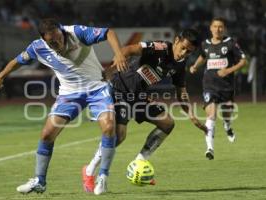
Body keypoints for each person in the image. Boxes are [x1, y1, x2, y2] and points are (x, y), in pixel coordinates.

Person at [0, 18, 127, 195]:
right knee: (47, 134)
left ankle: (102, 177)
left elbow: (109, 32)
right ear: (43, 39)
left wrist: (118, 54)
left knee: (109, 127)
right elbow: (18, 60)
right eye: (52, 42)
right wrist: (2, 74)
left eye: (59, 38)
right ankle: (39, 181)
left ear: (61, 31)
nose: (58, 43)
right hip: (69, 94)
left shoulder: (76, 32)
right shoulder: (37, 47)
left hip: (97, 88)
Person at [82, 29, 207, 192]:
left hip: (139, 97)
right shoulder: (160, 47)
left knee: (167, 123)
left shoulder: (180, 65)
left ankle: (139, 162)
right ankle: (90, 170)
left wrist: (191, 115)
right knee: (119, 136)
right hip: (121, 89)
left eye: (189, 52)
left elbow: (181, 90)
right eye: (183, 48)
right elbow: (129, 50)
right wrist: (117, 60)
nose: (184, 54)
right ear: (176, 41)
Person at [189, 17, 246, 160]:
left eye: (220, 27)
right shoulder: (205, 44)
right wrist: (195, 66)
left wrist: (228, 70)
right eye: (215, 26)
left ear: (224, 28)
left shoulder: (230, 43)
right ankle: (210, 148)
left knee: (226, 113)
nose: (217, 29)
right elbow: (203, 56)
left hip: (227, 86)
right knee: (211, 115)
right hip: (209, 86)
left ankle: (227, 126)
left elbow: (243, 61)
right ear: (210, 28)